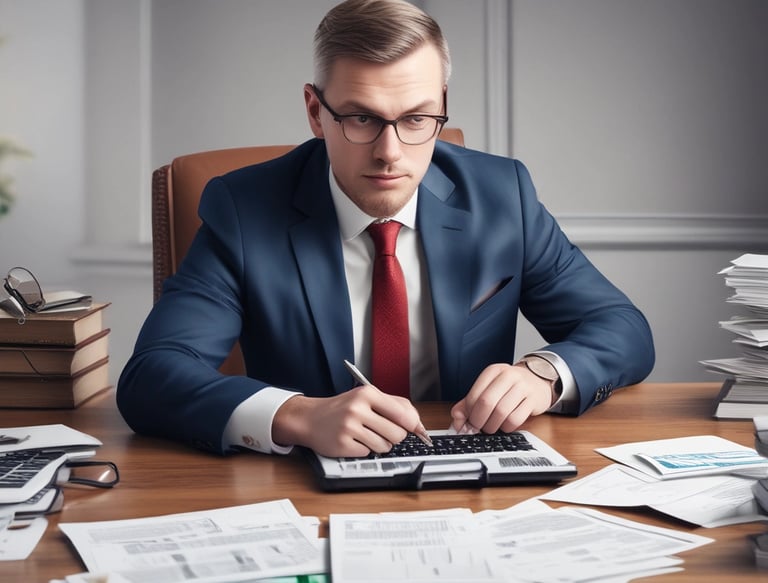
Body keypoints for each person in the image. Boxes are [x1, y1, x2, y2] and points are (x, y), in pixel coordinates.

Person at [117, 0, 654, 458]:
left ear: (442, 107)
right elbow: (152, 377)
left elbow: (620, 326)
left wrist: (545, 374)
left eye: (417, 119)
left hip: (467, 473)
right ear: (314, 110)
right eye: (361, 118)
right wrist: (297, 416)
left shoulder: (501, 197)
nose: (390, 152)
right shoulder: (244, 209)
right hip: (304, 484)